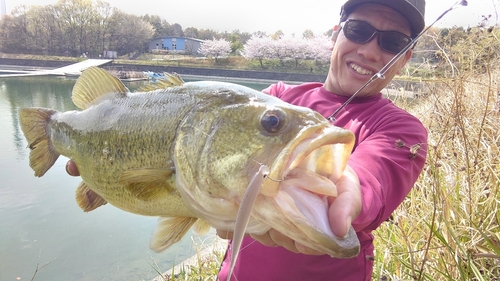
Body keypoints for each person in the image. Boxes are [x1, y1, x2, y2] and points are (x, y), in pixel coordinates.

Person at [66, 0, 428, 280]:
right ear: (337, 34)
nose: (369, 50)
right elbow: (198, 182)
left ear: (406, 58)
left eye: (393, 42)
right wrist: (106, 172)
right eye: (359, 30)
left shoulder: (403, 131)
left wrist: (349, 188)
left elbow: (369, 179)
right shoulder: (275, 97)